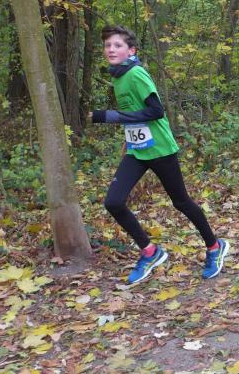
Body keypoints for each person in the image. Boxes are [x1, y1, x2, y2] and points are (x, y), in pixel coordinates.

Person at [89, 25, 229, 284]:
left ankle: (214, 246)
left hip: (161, 149)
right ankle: (150, 251)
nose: (111, 49)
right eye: (107, 45)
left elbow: (156, 111)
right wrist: (127, 135)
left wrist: (108, 116)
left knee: (181, 202)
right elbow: (134, 114)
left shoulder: (135, 73)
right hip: (137, 151)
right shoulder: (118, 75)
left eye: (117, 45)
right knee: (113, 202)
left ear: (131, 51)